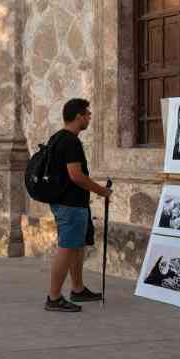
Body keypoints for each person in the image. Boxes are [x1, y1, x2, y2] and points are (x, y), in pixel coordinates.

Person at [45, 98, 112, 312]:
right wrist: (102, 191)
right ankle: (54, 298)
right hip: (70, 204)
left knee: (76, 247)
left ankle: (78, 288)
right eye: (87, 114)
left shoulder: (57, 138)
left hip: (67, 202)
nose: (89, 117)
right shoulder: (71, 141)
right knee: (67, 248)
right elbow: (76, 175)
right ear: (78, 116)